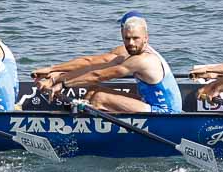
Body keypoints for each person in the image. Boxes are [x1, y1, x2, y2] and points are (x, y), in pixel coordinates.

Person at [33, 13, 181, 113]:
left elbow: (98, 75)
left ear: (146, 38)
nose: (131, 43)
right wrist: (56, 76)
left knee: (100, 98)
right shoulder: (132, 54)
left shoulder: (142, 60)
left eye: (135, 38)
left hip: (166, 113)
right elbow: (94, 67)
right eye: (127, 38)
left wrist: (63, 84)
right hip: (149, 103)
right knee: (93, 91)